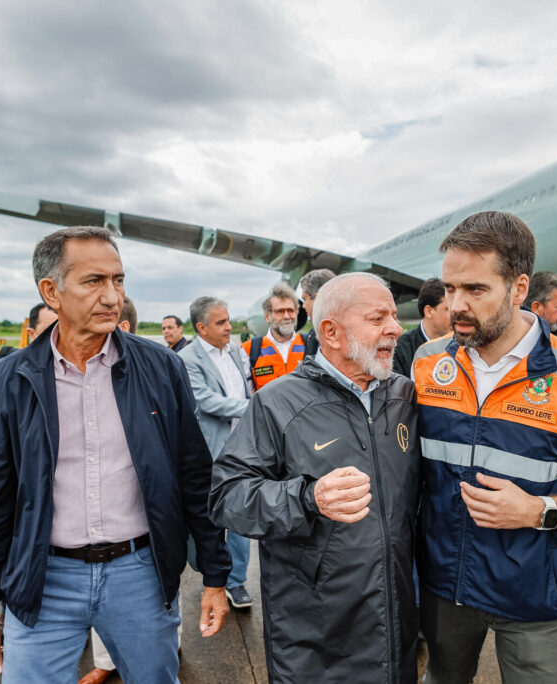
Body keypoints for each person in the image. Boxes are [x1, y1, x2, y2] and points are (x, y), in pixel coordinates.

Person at [0, 226, 231, 683]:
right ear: (52, 291)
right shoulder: (12, 377)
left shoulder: (161, 367)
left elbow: (193, 476)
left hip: (139, 576)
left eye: (119, 280)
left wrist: (215, 575)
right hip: (43, 580)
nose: (112, 296)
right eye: (94, 281)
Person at [412, 211, 557, 684]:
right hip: (443, 587)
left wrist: (540, 510)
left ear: (519, 290)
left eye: (475, 290)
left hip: (537, 593)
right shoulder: (427, 362)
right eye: (450, 288)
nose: (456, 304)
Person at [211, 272, 419, 683]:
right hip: (316, 635)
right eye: (378, 318)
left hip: (396, 626)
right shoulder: (276, 403)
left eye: (394, 317)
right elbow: (227, 496)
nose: (396, 328)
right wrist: (307, 498)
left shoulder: (404, 396)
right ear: (331, 332)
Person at [179, 296, 255, 612]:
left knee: (241, 516)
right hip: (210, 452)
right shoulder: (188, 358)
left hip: (245, 451)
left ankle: (235, 582)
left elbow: (246, 387)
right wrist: (255, 407)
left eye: (228, 320)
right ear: (201, 327)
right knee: (206, 518)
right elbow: (206, 401)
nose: (229, 327)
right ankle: (208, 570)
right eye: (221, 323)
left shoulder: (237, 351)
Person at [243, 283, 306, 390]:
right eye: (280, 311)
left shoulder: (311, 346)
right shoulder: (249, 350)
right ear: (268, 317)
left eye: (290, 310)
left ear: (297, 312)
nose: (286, 316)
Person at [392, 277, 451, 376]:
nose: (456, 315)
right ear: (428, 311)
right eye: (448, 309)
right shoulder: (400, 349)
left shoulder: (464, 346)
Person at [298, 268, 336, 356]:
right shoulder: (313, 335)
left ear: (318, 298)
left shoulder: (341, 335)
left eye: (305, 299)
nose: (303, 306)